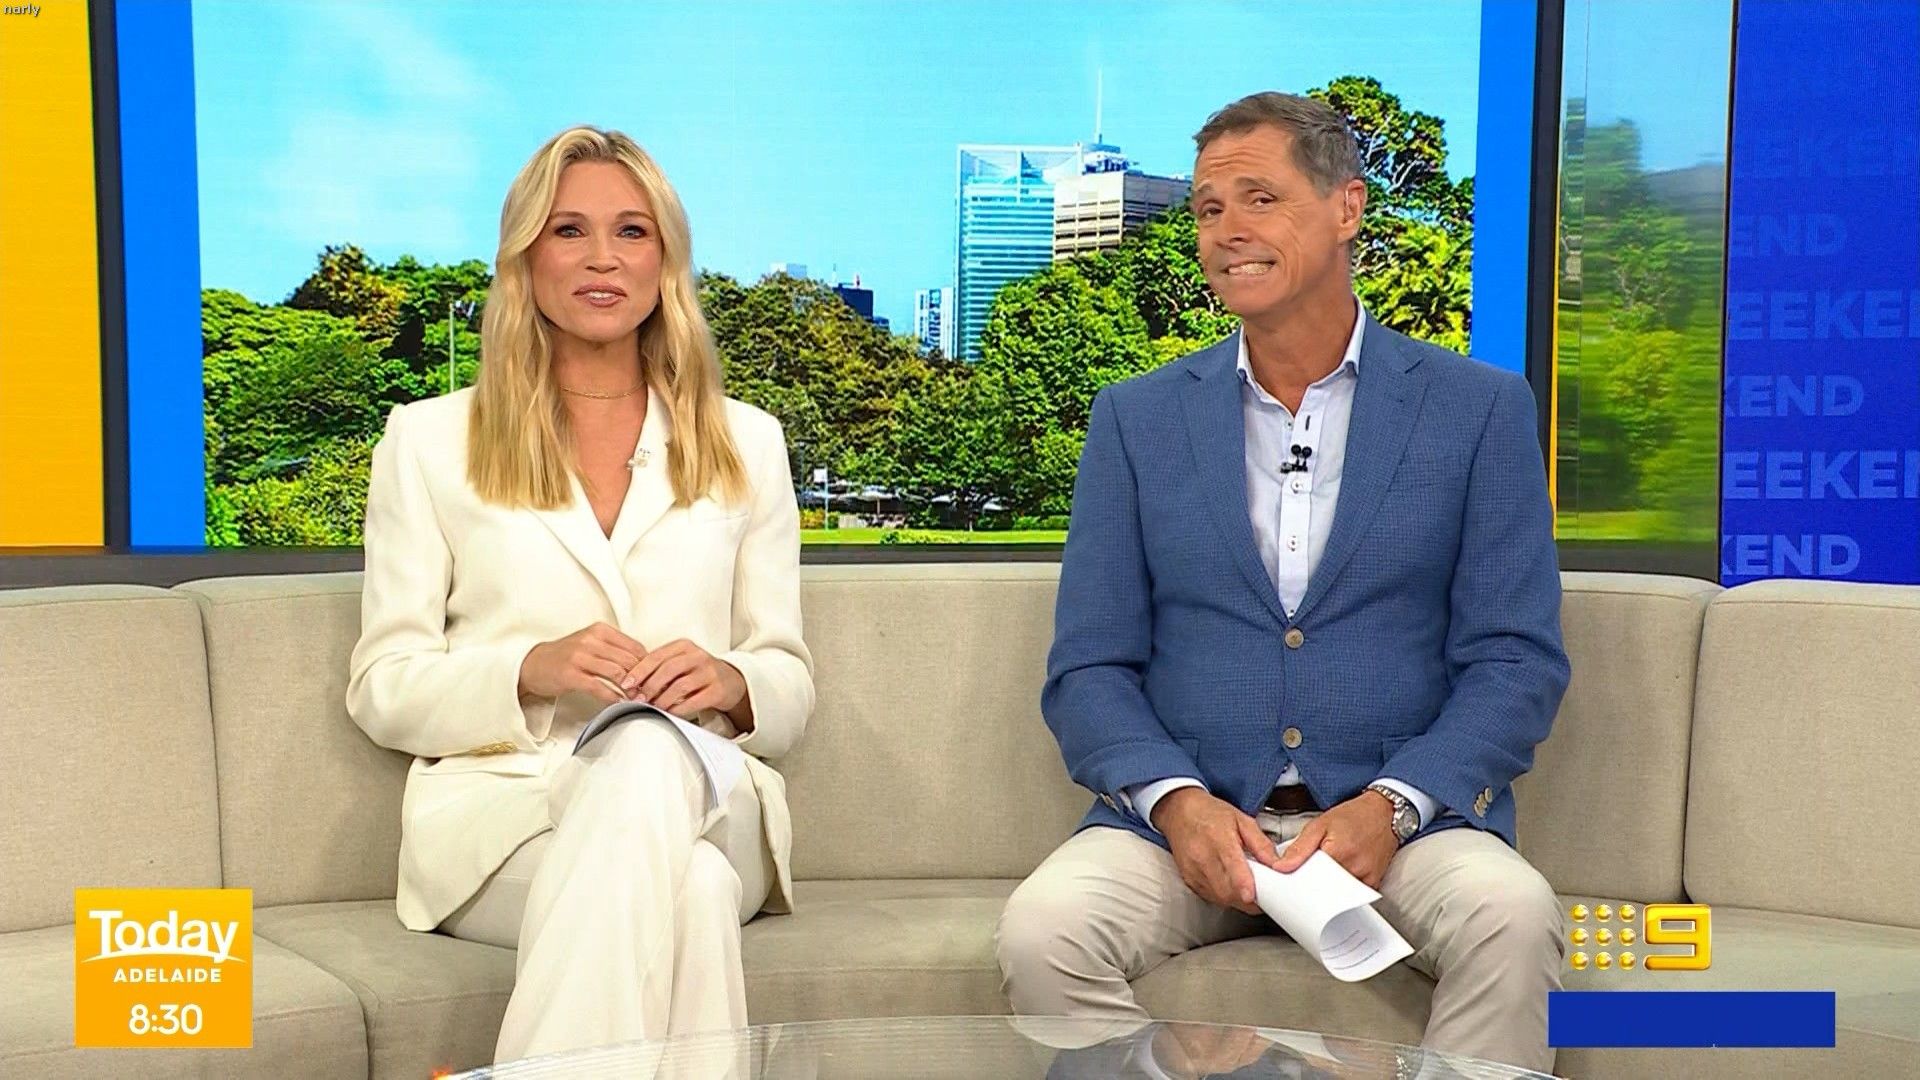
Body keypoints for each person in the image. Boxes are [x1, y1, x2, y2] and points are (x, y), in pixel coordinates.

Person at [996, 92, 1571, 1073]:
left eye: (1259, 199)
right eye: (1209, 209)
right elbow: (1089, 668)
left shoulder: (1477, 410)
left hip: (1399, 827)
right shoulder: (1135, 419)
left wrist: (1391, 806)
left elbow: (1515, 662)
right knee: (1042, 931)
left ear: (1347, 207)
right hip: (1188, 827)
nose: (1227, 231)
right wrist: (1177, 803)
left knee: (1513, 918)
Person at [346, 125, 813, 1063]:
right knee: (695, 895)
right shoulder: (427, 440)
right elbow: (382, 685)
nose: (603, 257)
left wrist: (732, 683)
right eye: (569, 231)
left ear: (665, 260)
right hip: (503, 818)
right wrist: (529, 669)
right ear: (526, 257)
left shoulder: (748, 442)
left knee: (646, 746)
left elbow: (790, 681)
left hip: (707, 798)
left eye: (632, 231)